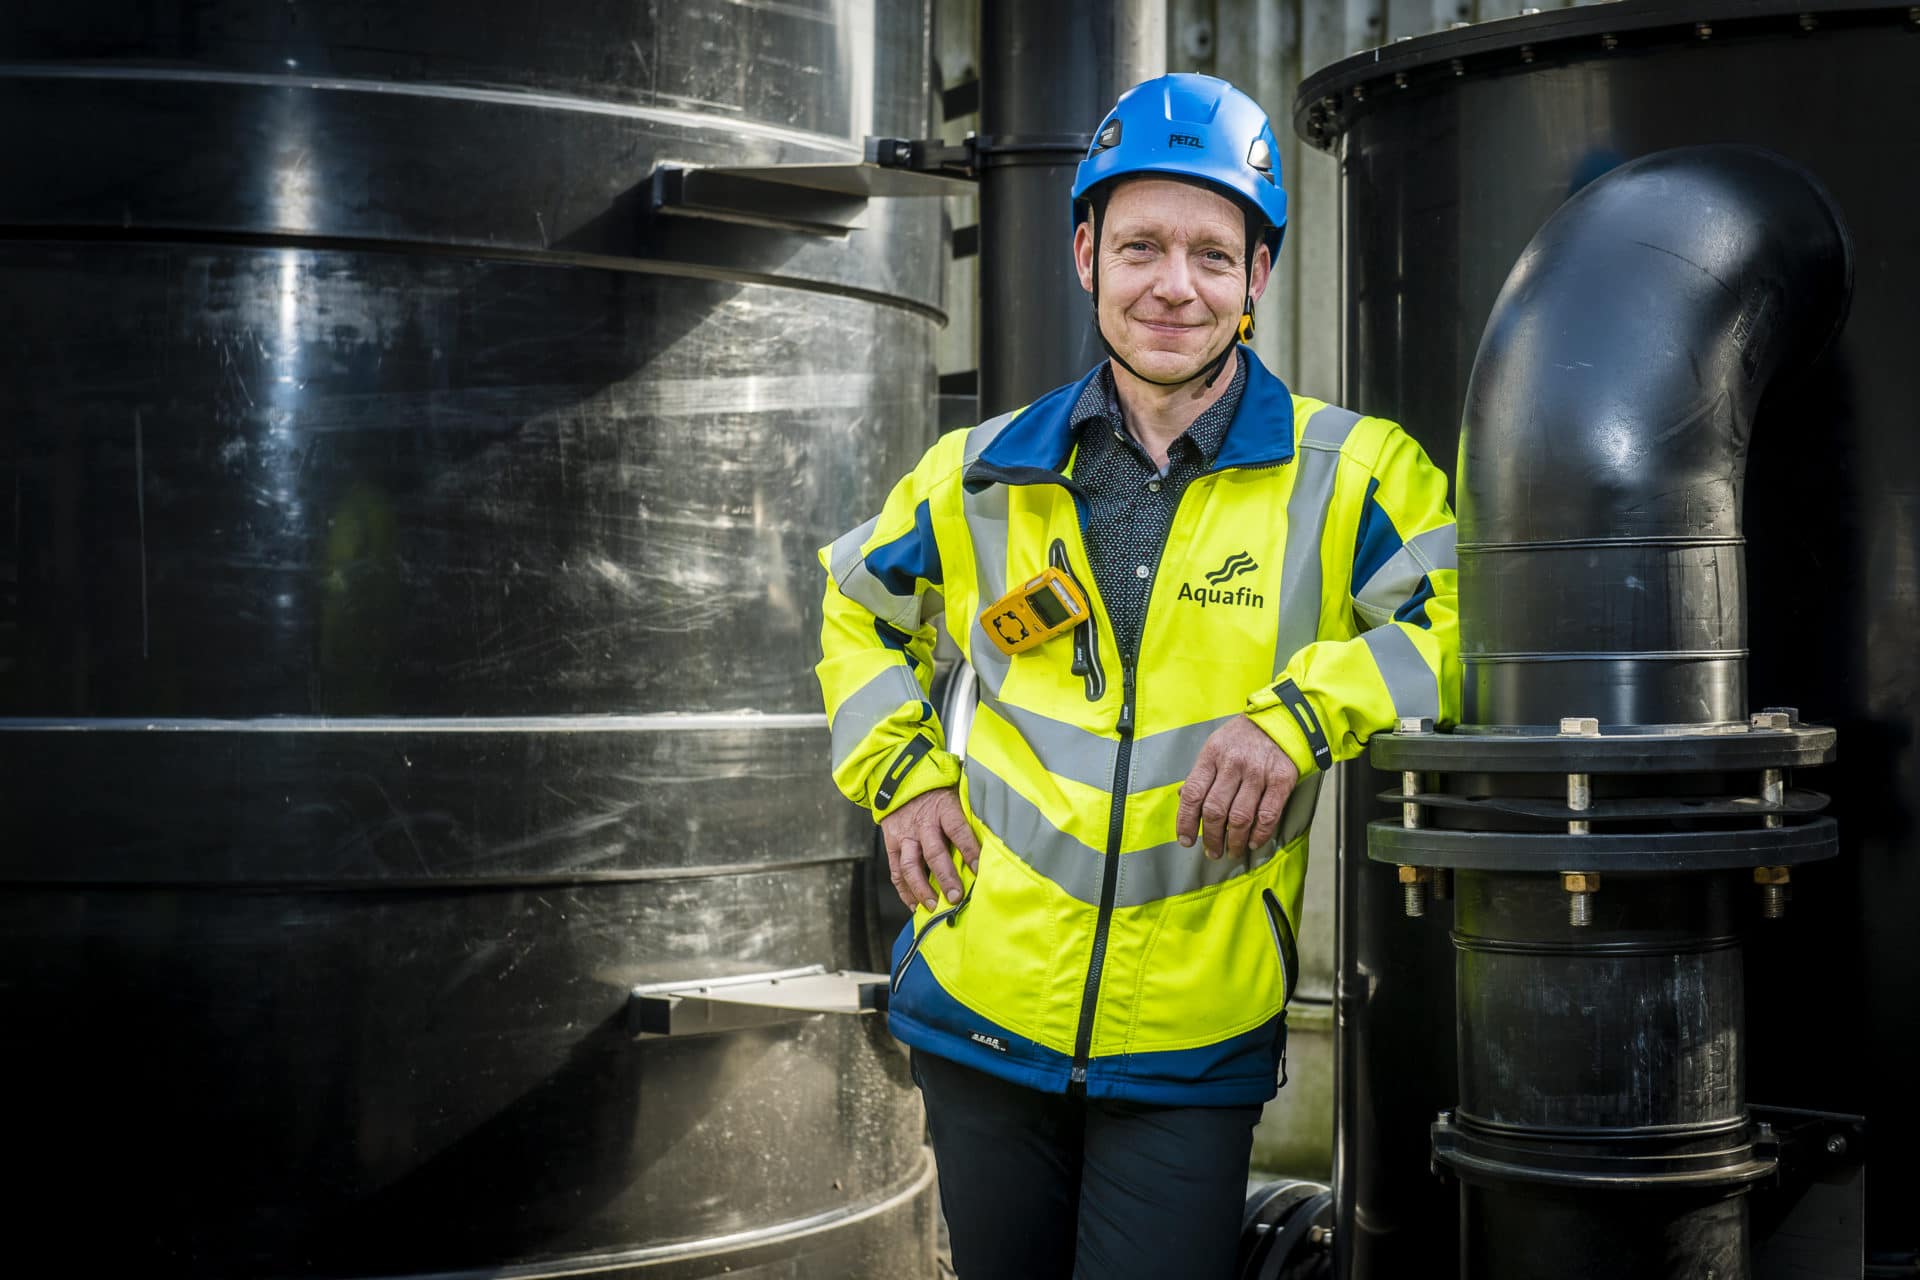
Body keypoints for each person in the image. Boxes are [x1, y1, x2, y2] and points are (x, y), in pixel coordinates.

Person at [816, 73, 1460, 1278]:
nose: (1176, 284)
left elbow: (1466, 620)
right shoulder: (981, 473)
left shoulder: (1353, 476)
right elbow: (858, 607)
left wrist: (1304, 715)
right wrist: (902, 775)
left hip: (1192, 1035)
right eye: (1142, 246)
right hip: (977, 1004)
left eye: (1215, 253)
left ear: (1259, 277)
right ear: (1084, 254)